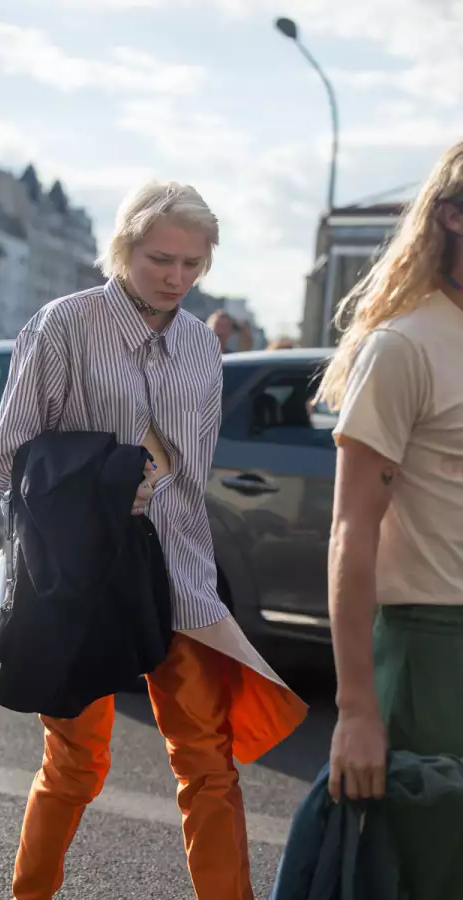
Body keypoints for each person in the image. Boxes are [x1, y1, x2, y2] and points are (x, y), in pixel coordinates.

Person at [0, 180, 306, 900]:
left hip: (180, 577)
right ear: (124, 247)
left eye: (193, 265)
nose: (177, 278)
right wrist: (101, 482)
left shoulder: (201, 347)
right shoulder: (61, 325)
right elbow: (5, 460)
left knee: (210, 764)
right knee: (73, 763)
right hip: (78, 579)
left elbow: (191, 479)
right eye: (162, 259)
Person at [317, 142, 463, 894]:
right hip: (428, 651)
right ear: (453, 216)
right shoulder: (404, 344)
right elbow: (351, 529)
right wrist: (355, 711)